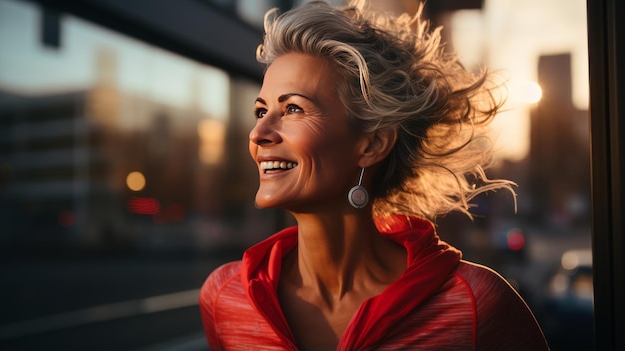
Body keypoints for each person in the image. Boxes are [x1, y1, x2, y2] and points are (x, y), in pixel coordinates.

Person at [199, 1, 550, 350]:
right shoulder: (224, 298)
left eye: (292, 108)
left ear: (373, 144)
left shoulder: (477, 304)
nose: (259, 132)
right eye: (261, 110)